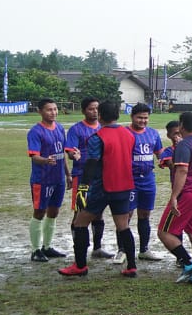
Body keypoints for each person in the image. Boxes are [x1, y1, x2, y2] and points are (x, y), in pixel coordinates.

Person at [57, 100, 137, 277]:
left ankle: (80, 266)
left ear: (100, 115)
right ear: (117, 115)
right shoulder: (129, 134)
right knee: (123, 226)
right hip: (124, 186)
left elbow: (92, 164)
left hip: (103, 188)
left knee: (80, 223)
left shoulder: (97, 137)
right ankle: (131, 266)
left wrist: (83, 188)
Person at [156, 111, 192, 285]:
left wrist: (174, 196)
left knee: (164, 232)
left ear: (181, 126)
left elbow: (182, 171)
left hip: (188, 194)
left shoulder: (184, 145)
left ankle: (189, 263)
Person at [65, 96, 110, 259]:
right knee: (80, 212)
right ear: (84, 111)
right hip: (82, 176)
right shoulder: (76, 129)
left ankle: (97, 248)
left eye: (97, 108)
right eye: (91, 109)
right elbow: (70, 151)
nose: (95, 111)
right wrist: (73, 155)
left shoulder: (103, 128)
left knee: (98, 212)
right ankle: (79, 249)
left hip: (100, 177)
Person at [26, 98, 68, 262]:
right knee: (39, 212)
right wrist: (45, 160)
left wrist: (68, 174)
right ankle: (35, 250)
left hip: (58, 178)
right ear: (40, 111)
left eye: (55, 109)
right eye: (49, 109)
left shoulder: (60, 128)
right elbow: (34, 156)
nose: (53, 112)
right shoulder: (35, 132)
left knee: (54, 212)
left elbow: (62, 154)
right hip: (42, 179)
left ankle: (47, 246)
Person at [127, 103, 166, 261]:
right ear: (132, 117)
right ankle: (122, 250)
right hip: (130, 179)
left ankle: (144, 249)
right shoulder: (125, 133)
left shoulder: (153, 133)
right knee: (126, 215)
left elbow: (160, 153)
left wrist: (167, 159)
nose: (143, 121)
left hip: (148, 179)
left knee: (145, 214)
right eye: (139, 118)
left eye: (145, 118)